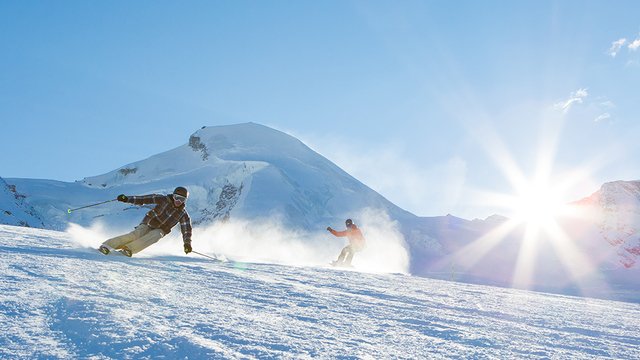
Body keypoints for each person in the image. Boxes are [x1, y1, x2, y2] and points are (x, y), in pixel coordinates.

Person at [99, 186, 193, 257]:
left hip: (161, 229)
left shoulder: (183, 214)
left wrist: (187, 244)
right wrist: (127, 199)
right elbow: (144, 199)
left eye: (182, 199)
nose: (178, 201)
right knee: (136, 235)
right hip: (149, 222)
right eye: (177, 197)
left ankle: (128, 249)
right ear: (173, 196)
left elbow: (186, 230)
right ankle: (107, 245)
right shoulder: (163, 199)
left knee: (156, 235)